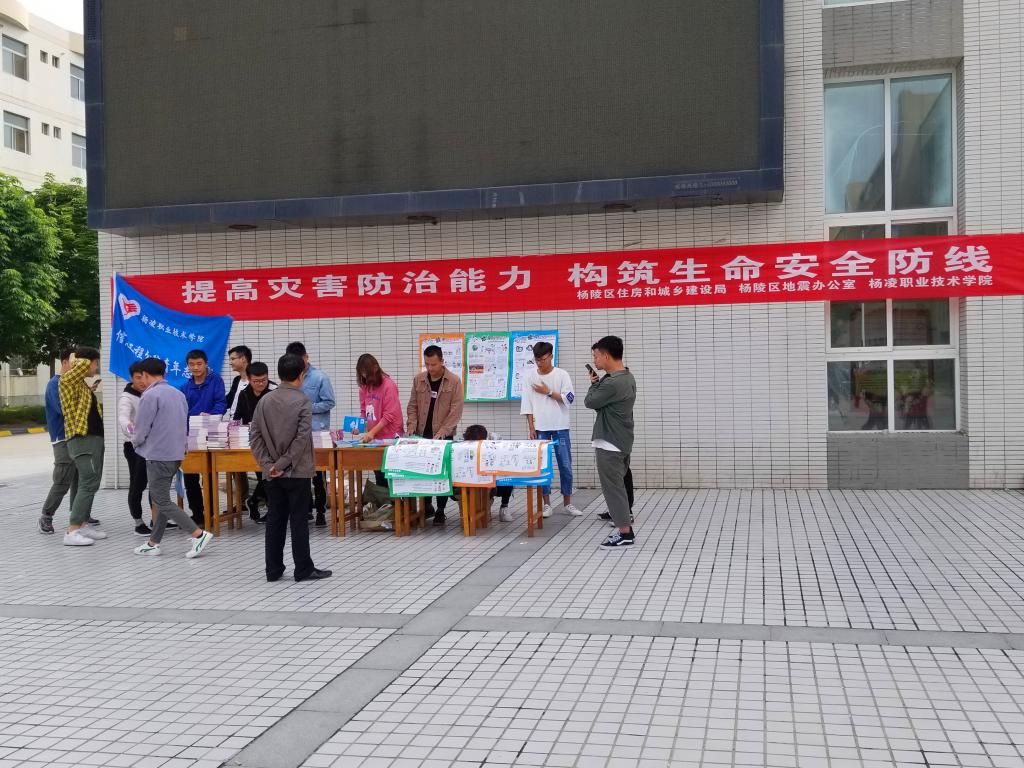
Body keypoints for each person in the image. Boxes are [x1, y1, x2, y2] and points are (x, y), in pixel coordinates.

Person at [250, 353, 332, 582]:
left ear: (278, 374)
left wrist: (268, 465)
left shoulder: (264, 401)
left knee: (275, 519)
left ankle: (273, 569)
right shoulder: (303, 401)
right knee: (298, 520)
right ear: (301, 375)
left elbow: (254, 436)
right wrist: (282, 464)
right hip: (297, 471)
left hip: (272, 474)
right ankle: (303, 568)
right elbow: (302, 439)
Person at [131, 358, 214, 558]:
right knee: (162, 500)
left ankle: (198, 534)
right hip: (176, 454)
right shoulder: (178, 394)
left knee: (160, 500)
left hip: (158, 454)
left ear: (145, 374)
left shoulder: (150, 395)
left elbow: (141, 428)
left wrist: (135, 443)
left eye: (141, 376)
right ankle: (153, 543)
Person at [585, 336, 637, 549]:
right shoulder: (627, 377)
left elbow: (591, 402)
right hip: (621, 439)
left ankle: (625, 533)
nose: (594, 360)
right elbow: (602, 405)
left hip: (610, 442)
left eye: (596, 356)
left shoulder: (612, 382)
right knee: (618, 487)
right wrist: (599, 386)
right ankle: (625, 528)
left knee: (613, 488)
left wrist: (593, 386)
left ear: (606, 356)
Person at [520, 341, 580, 518]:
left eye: (543, 359)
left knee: (565, 465)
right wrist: (531, 427)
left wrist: (548, 392)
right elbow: (527, 404)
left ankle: (568, 503)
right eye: (537, 359)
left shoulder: (562, 375)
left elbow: (569, 398)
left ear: (551, 356)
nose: (540, 363)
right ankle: (546, 504)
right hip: (540, 428)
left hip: (561, 426)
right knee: (543, 467)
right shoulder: (530, 376)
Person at [406, 345, 464, 525]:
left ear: (442, 361)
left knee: (441, 473)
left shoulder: (454, 381)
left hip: (443, 436)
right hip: (422, 434)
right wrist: (411, 425)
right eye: (427, 364)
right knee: (422, 472)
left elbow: (456, 411)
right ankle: (426, 507)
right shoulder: (419, 380)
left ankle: (440, 510)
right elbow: (412, 406)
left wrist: (442, 432)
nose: (430, 368)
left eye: (433, 364)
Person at [58, 346, 108, 547]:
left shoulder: (80, 384)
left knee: (87, 483)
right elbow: (82, 364)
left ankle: (82, 525)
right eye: (95, 363)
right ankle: (72, 530)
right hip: (83, 440)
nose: (96, 368)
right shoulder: (68, 380)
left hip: (91, 439)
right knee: (89, 483)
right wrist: (79, 357)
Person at [285, 341, 336, 527]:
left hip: (316, 432)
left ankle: (321, 511)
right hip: (294, 433)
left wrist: (307, 408)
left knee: (318, 474)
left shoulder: (320, 377)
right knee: (299, 474)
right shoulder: (289, 377)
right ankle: (305, 510)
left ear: (306, 358)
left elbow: (329, 402)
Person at [180, 348, 226, 526]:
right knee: (190, 476)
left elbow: (221, 403)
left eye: (199, 364)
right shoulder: (185, 388)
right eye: (191, 364)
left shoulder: (216, 381)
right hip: (191, 436)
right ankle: (197, 513)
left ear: (206, 363)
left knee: (210, 474)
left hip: (211, 432)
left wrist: (211, 415)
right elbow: (182, 412)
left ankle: (212, 512)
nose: (196, 367)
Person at [39, 347, 79, 534]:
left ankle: (79, 515)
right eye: (74, 362)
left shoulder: (73, 383)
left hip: (77, 437)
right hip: (62, 438)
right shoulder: (54, 384)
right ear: (65, 362)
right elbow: (63, 409)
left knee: (79, 478)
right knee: (63, 478)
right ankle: (46, 516)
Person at [233, 361, 277, 521]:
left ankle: (257, 502)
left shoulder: (274, 391)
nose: (260, 384)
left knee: (270, 476)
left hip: (272, 441)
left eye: (263, 380)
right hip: (252, 441)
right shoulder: (244, 393)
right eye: (256, 381)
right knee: (263, 476)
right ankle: (257, 503)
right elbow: (237, 417)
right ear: (249, 379)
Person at [356, 354, 403, 489]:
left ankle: (395, 502)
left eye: (366, 373)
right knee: (379, 475)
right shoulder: (364, 387)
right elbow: (364, 411)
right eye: (362, 373)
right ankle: (383, 501)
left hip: (390, 437)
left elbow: (389, 415)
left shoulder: (389, 385)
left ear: (375, 368)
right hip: (375, 439)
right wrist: (359, 426)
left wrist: (371, 432)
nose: (364, 376)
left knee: (392, 476)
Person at [118, 362, 152, 535]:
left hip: (152, 445)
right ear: (131, 378)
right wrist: (135, 433)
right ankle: (138, 522)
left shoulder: (151, 393)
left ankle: (157, 517)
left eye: (144, 377)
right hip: (134, 447)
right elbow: (124, 420)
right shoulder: (126, 398)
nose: (142, 381)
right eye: (138, 378)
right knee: (138, 483)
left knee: (155, 482)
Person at [224, 344, 254, 511]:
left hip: (250, 429)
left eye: (233, 358)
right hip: (234, 429)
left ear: (243, 359)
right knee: (235, 465)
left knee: (257, 465)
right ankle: (242, 500)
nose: (231, 362)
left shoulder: (254, 379)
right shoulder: (237, 380)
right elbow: (228, 401)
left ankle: (260, 499)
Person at [463, 424, 514, 521]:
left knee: (507, 479)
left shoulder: (495, 440)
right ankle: (474, 507)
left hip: (494, 478)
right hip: (473, 478)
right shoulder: (464, 444)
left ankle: (504, 507)